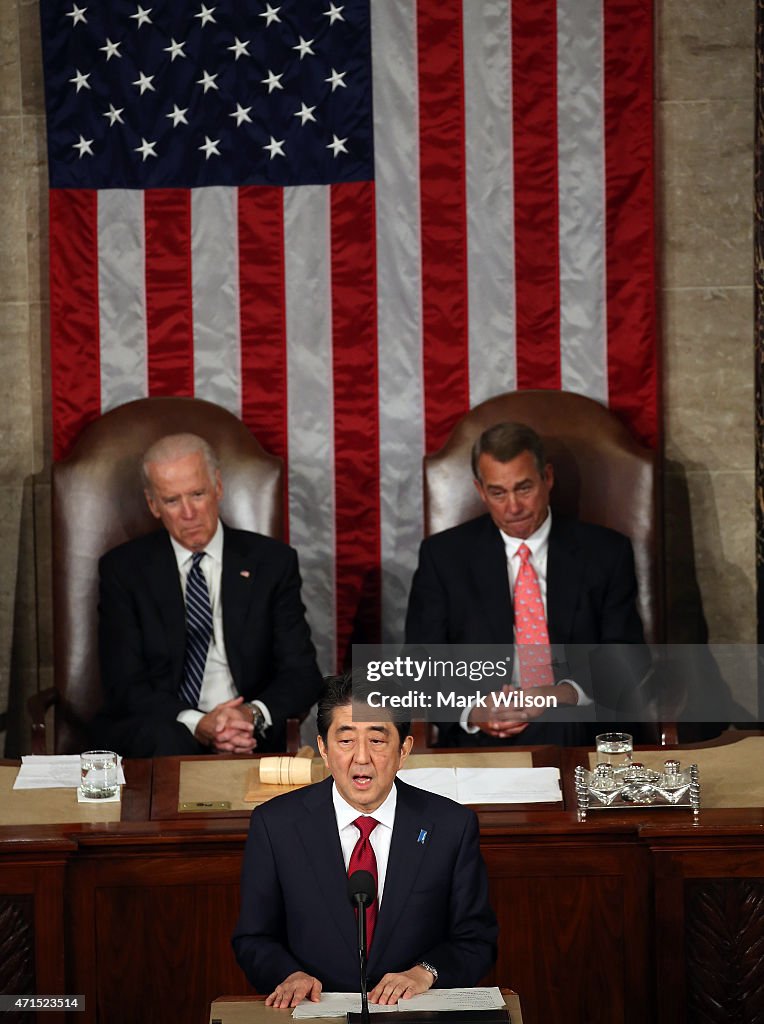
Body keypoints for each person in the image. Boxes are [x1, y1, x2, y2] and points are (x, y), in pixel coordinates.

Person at [232, 674, 497, 1007]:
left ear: (403, 750)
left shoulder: (450, 826)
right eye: (345, 741)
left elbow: (476, 940)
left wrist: (425, 973)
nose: (361, 757)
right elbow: (254, 938)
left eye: (377, 740)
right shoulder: (276, 825)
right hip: (314, 1011)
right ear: (324, 750)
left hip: (412, 1013)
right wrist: (289, 975)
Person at [405, 421, 648, 746]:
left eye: (524, 488)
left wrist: (556, 694)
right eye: (498, 493)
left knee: (561, 721)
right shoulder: (444, 557)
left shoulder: (605, 553)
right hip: (480, 736)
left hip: (578, 730)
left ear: (547, 478)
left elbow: (625, 654)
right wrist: (474, 711)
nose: (514, 507)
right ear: (480, 491)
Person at [95, 433, 322, 757]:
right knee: (167, 739)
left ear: (217, 486)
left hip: (249, 735)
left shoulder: (272, 563)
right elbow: (124, 684)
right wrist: (198, 723)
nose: (189, 513)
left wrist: (250, 715)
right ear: (153, 504)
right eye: (172, 500)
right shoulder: (124, 571)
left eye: (197, 494)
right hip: (162, 733)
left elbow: (301, 674)